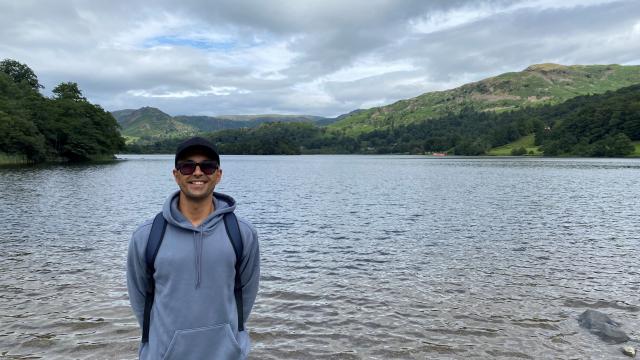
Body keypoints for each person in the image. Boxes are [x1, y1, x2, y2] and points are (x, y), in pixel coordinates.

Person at [127, 137, 260, 360]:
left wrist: (229, 338)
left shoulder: (242, 233)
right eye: (188, 166)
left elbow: (245, 295)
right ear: (176, 174)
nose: (197, 173)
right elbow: (141, 299)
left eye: (207, 166)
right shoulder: (146, 235)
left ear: (218, 174)